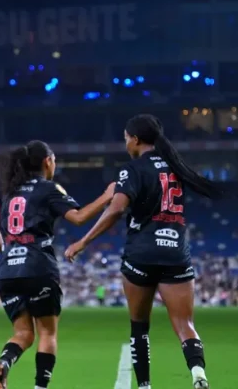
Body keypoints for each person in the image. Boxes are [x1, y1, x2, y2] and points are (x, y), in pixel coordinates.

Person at [65, 114, 223, 389]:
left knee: (139, 326)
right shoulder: (177, 168)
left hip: (142, 252)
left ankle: (145, 386)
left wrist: (83, 242)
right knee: (185, 324)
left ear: (135, 139)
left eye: (126, 137)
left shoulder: (132, 169)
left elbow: (116, 209)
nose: (125, 142)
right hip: (175, 250)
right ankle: (199, 374)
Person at [0, 141, 114, 389]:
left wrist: (6, 252)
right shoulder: (48, 189)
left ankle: (4, 362)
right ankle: (40, 387)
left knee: (23, 334)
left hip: (9, 270)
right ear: (47, 161)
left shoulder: (9, 192)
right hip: (38, 266)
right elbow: (78, 217)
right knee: (47, 333)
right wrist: (107, 197)